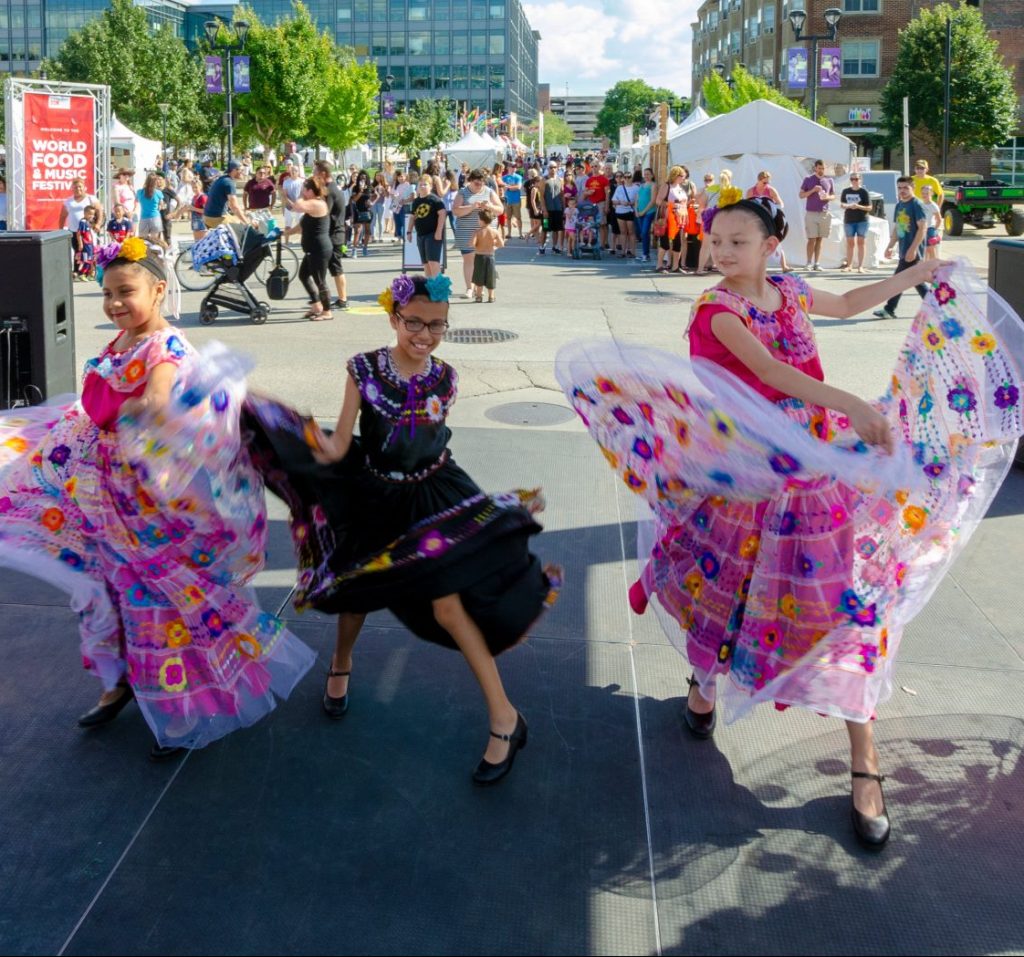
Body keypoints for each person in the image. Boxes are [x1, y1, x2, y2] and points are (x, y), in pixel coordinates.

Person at [559, 197, 1023, 848]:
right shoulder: (717, 311)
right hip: (749, 478)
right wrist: (852, 403)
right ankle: (703, 684)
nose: (720, 251)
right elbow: (771, 372)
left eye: (736, 240)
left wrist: (912, 278)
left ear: (772, 243)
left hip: (817, 473)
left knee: (847, 605)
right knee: (731, 593)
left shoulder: (793, 289)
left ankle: (864, 762)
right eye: (715, 240)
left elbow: (848, 304)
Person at [0, 236, 315, 759]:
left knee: (158, 603)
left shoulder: (163, 346)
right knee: (104, 591)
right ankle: (117, 681)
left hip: (144, 503)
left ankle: (178, 710)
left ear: (159, 289)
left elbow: (159, 401)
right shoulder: (119, 342)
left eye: (126, 291)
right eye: (107, 293)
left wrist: (126, 411)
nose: (115, 303)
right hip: (102, 495)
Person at [243, 273, 561, 785]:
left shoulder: (447, 378)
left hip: (435, 497)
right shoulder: (362, 369)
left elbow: (432, 443)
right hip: (375, 495)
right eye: (414, 322)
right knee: (357, 594)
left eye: (437, 325)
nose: (425, 334)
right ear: (393, 317)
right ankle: (342, 663)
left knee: (450, 606)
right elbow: (342, 443)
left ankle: (505, 718)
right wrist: (286, 432)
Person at [873, 176, 929, 321]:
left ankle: (889, 309)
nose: (902, 191)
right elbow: (898, 227)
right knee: (916, 281)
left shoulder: (917, 204)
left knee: (898, 279)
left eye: (905, 188)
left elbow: (922, 228)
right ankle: (937, 308)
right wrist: (890, 246)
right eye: (899, 188)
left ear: (913, 188)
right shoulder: (899, 205)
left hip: (913, 251)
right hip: (904, 249)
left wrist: (913, 249)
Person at [285, 177, 333, 321]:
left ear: (310, 191)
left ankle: (327, 311)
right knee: (304, 275)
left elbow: (297, 207)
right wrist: (287, 232)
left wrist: (300, 194)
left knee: (320, 280)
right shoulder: (312, 205)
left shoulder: (317, 203)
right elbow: (302, 225)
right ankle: (316, 305)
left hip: (319, 248)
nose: (303, 193)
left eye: (305, 190)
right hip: (312, 249)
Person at [451, 169, 503, 298]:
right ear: (471, 181)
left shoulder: (489, 192)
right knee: (469, 259)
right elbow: (456, 211)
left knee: (482, 261)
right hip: (466, 231)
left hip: (485, 233)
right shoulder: (463, 193)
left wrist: (490, 206)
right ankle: (470, 288)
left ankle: (480, 287)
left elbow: (500, 209)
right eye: (476, 182)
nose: (479, 184)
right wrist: (472, 207)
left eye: (481, 182)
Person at [313, 161, 349, 311]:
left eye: (315, 172)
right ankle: (339, 299)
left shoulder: (330, 191)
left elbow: (324, 213)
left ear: (323, 174)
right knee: (331, 268)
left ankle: (342, 299)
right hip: (335, 234)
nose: (313, 175)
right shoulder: (332, 188)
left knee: (335, 268)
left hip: (334, 235)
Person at [746, 171, 791, 272]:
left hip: (770, 218)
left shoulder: (771, 190)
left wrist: (778, 209)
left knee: (777, 240)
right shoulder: (751, 191)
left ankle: (784, 266)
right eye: (764, 182)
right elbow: (747, 206)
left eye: (768, 182)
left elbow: (780, 202)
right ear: (759, 180)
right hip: (756, 220)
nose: (767, 184)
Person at [407, 175, 447, 279]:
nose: (423, 186)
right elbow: (412, 217)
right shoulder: (416, 202)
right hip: (421, 235)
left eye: (425, 184)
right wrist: (409, 231)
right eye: (420, 184)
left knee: (433, 263)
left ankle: (439, 289)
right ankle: (430, 288)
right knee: (425, 264)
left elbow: (442, 214)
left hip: (432, 234)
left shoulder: (435, 200)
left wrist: (439, 232)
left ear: (431, 186)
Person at [799, 159, 835, 271]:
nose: (821, 170)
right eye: (819, 168)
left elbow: (833, 196)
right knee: (811, 239)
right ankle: (808, 263)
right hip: (811, 213)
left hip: (824, 213)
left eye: (823, 168)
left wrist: (827, 197)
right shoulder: (808, 179)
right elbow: (801, 195)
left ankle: (817, 263)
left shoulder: (829, 180)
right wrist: (813, 190)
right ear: (815, 168)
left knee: (820, 239)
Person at [656, 166, 692, 274]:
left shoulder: (680, 187)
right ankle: (659, 265)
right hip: (667, 218)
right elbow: (658, 201)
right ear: (675, 176)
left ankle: (676, 266)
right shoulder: (666, 186)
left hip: (679, 218)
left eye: (684, 176)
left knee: (678, 242)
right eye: (682, 176)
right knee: (665, 242)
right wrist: (671, 205)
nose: (684, 178)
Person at [838, 173, 872, 274]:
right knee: (850, 243)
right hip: (849, 219)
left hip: (862, 219)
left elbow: (870, 207)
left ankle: (860, 266)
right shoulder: (846, 191)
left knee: (861, 242)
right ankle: (849, 265)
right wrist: (849, 206)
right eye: (852, 179)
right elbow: (842, 204)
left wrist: (858, 206)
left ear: (860, 180)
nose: (854, 181)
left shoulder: (864, 192)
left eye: (856, 179)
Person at [203, 160, 249, 230]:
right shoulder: (229, 183)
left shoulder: (223, 179)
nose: (244, 172)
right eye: (242, 170)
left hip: (208, 216)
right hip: (216, 218)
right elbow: (234, 207)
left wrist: (242, 213)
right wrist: (247, 223)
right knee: (242, 229)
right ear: (234, 170)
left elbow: (231, 205)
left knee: (238, 220)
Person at [471, 208, 503, 303]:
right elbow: (501, 244)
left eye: (478, 219)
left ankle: (479, 296)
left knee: (479, 277)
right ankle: (491, 296)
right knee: (491, 277)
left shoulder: (477, 232)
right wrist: (494, 246)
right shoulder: (494, 232)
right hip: (490, 256)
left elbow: (472, 244)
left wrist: (476, 244)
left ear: (482, 220)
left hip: (480, 256)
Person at [611, 171, 639, 259]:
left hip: (630, 211)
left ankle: (632, 251)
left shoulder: (636, 188)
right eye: (625, 177)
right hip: (620, 211)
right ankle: (623, 251)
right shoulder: (619, 188)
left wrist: (630, 203)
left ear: (632, 178)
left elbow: (638, 201)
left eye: (629, 177)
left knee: (631, 232)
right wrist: (620, 202)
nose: (627, 179)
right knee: (622, 232)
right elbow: (614, 200)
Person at [584, 164, 611, 249]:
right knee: (591, 224)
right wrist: (588, 193)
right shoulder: (589, 180)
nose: (594, 168)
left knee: (602, 224)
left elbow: (607, 194)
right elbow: (585, 193)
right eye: (593, 166)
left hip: (601, 203)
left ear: (599, 167)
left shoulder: (604, 179)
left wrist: (607, 205)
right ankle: (591, 242)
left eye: (596, 166)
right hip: (591, 204)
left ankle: (602, 244)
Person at [134, 173, 166, 246]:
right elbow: (162, 205)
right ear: (155, 182)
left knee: (142, 241)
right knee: (154, 242)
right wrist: (161, 206)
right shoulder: (158, 193)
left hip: (144, 218)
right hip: (155, 218)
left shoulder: (140, 192)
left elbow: (136, 201)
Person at [540, 164, 565, 254]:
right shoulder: (544, 180)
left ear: (557, 168)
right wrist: (544, 209)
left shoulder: (560, 180)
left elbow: (562, 195)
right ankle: (541, 247)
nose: (553, 169)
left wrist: (564, 208)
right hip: (547, 210)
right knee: (545, 228)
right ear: (548, 169)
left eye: (554, 167)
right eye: (551, 167)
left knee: (556, 229)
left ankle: (554, 246)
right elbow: (541, 196)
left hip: (558, 209)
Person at [74, 204, 102, 280]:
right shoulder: (83, 222)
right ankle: (81, 274)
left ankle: (88, 274)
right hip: (86, 245)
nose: (91, 216)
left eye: (93, 214)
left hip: (90, 245)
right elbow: (79, 233)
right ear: (85, 213)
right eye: (89, 214)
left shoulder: (89, 222)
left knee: (91, 260)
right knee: (86, 260)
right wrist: (80, 243)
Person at [279, 162, 305, 245]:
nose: (294, 172)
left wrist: (297, 204)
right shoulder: (286, 182)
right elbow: (284, 195)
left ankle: (302, 241)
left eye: (296, 170)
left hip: (300, 207)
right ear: (290, 171)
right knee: (288, 225)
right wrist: (291, 204)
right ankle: (286, 242)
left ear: (298, 172)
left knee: (301, 225)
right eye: (292, 170)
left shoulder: (302, 181)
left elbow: (303, 194)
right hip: (289, 208)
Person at [635, 168, 656, 264]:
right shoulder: (642, 185)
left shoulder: (653, 185)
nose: (646, 176)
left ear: (652, 175)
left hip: (648, 212)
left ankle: (646, 254)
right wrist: (636, 209)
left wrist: (643, 211)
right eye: (645, 174)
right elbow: (637, 199)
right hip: (639, 212)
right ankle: (645, 253)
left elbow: (652, 201)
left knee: (644, 232)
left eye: (648, 174)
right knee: (642, 234)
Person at [350, 171, 373, 256]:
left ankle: (365, 248)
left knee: (367, 231)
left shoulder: (370, 187)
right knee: (358, 231)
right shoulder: (355, 188)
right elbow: (354, 200)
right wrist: (361, 191)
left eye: (365, 177)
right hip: (358, 210)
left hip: (367, 211)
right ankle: (354, 250)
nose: (363, 178)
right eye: (361, 177)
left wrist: (371, 202)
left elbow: (374, 196)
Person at [920, 184, 943, 261]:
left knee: (931, 249)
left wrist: (934, 230)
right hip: (921, 229)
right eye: (923, 193)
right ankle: (926, 266)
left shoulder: (933, 205)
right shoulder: (920, 204)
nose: (924, 195)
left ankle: (935, 266)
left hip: (930, 229)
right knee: (924, 250)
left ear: (931, 193)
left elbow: (939, 219)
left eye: (927, 193)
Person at [501, 162, 524, 239]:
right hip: (507, 200)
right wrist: (511, 187)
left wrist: (508, 187)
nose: (514, 168)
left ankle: (520, 234)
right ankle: (509, 233)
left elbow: (518, 187)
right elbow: (503, 187)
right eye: (512, 167)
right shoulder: (504, 177)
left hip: (516, 200)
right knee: (508, 218)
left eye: (515, 167)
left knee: (518, 217)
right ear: (508, 168)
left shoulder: (518, 177)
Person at [526, 169, 544, 245]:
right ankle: (529, 234)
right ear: (536, 182)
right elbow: (532, 200)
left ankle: (539, 239)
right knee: (538, 224)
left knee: (542, 224)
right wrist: (535, 209)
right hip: (535, 208)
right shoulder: (534, 189)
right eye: (539, 182)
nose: (540, 183)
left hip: (541, 208)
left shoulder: (540, 189)